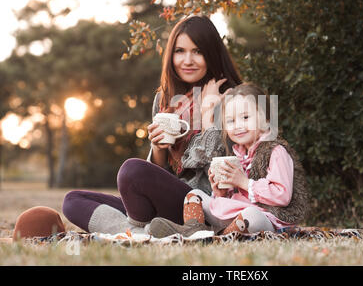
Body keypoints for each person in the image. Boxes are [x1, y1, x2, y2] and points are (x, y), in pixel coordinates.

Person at [62, 15, 242, 234]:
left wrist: (208, 118)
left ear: (212, 54)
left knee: (132, 170)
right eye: (179, 51)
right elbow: (157, 175)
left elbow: (223, 173)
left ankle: (139, 231)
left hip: (202, 206)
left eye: (197, 51)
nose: (187, 60)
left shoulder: (231, 99)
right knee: (73, 200)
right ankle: (143, 232)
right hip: (164, 202)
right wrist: (157, 148)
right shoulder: (165, 99)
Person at [146, 83, 310, 238]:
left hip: (268, 218)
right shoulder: (238, 154)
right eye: (231, 121)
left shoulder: (276, 151)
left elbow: (282, 195)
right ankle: (193, 230)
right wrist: (220, 191)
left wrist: (243, 182)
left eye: (245, 117)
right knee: (194, 195)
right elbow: (232, 198)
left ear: (266, 120)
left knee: (252, 216)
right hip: (235, 212)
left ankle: (219, 237)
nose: (238, 125)